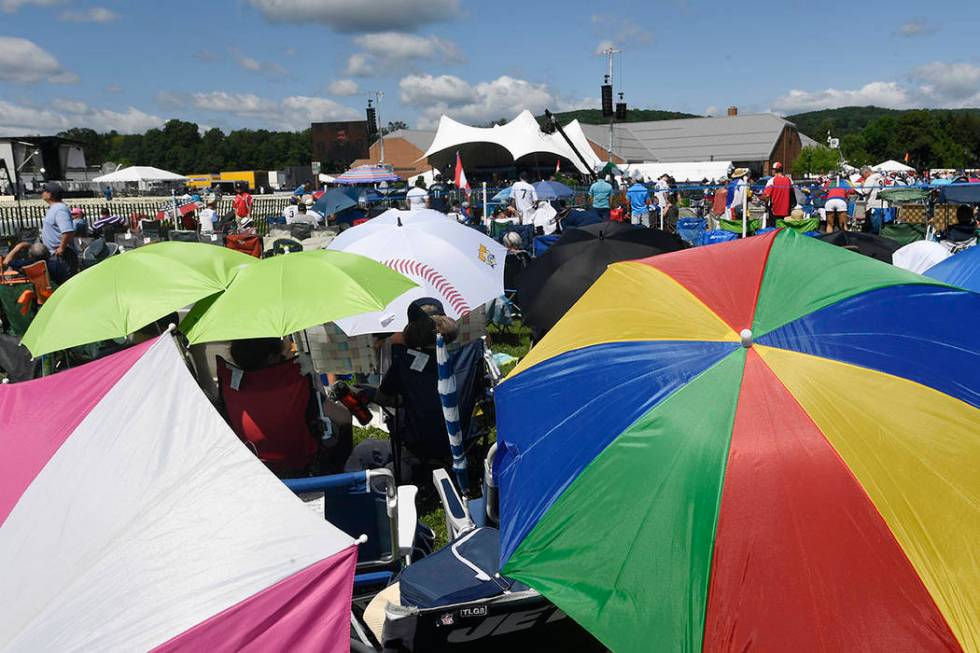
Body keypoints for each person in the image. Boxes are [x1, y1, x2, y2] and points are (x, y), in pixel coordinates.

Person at [40, 182, 77, 273]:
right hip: (54, 254)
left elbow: (67, 231)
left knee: (65, 282)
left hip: (62, 256)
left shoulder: (60, 209)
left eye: (44, 191)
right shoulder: (54, 208)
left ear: (50, 195)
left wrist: (61, 248)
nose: (42, 193)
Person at [1, 241, 70, 285]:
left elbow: (5, 262)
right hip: (56, 293)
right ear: (48, 253)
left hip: (38, 296)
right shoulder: (56, 265)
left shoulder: (28, 264)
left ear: (30, 255)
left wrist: (18, 247)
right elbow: (65, 281)